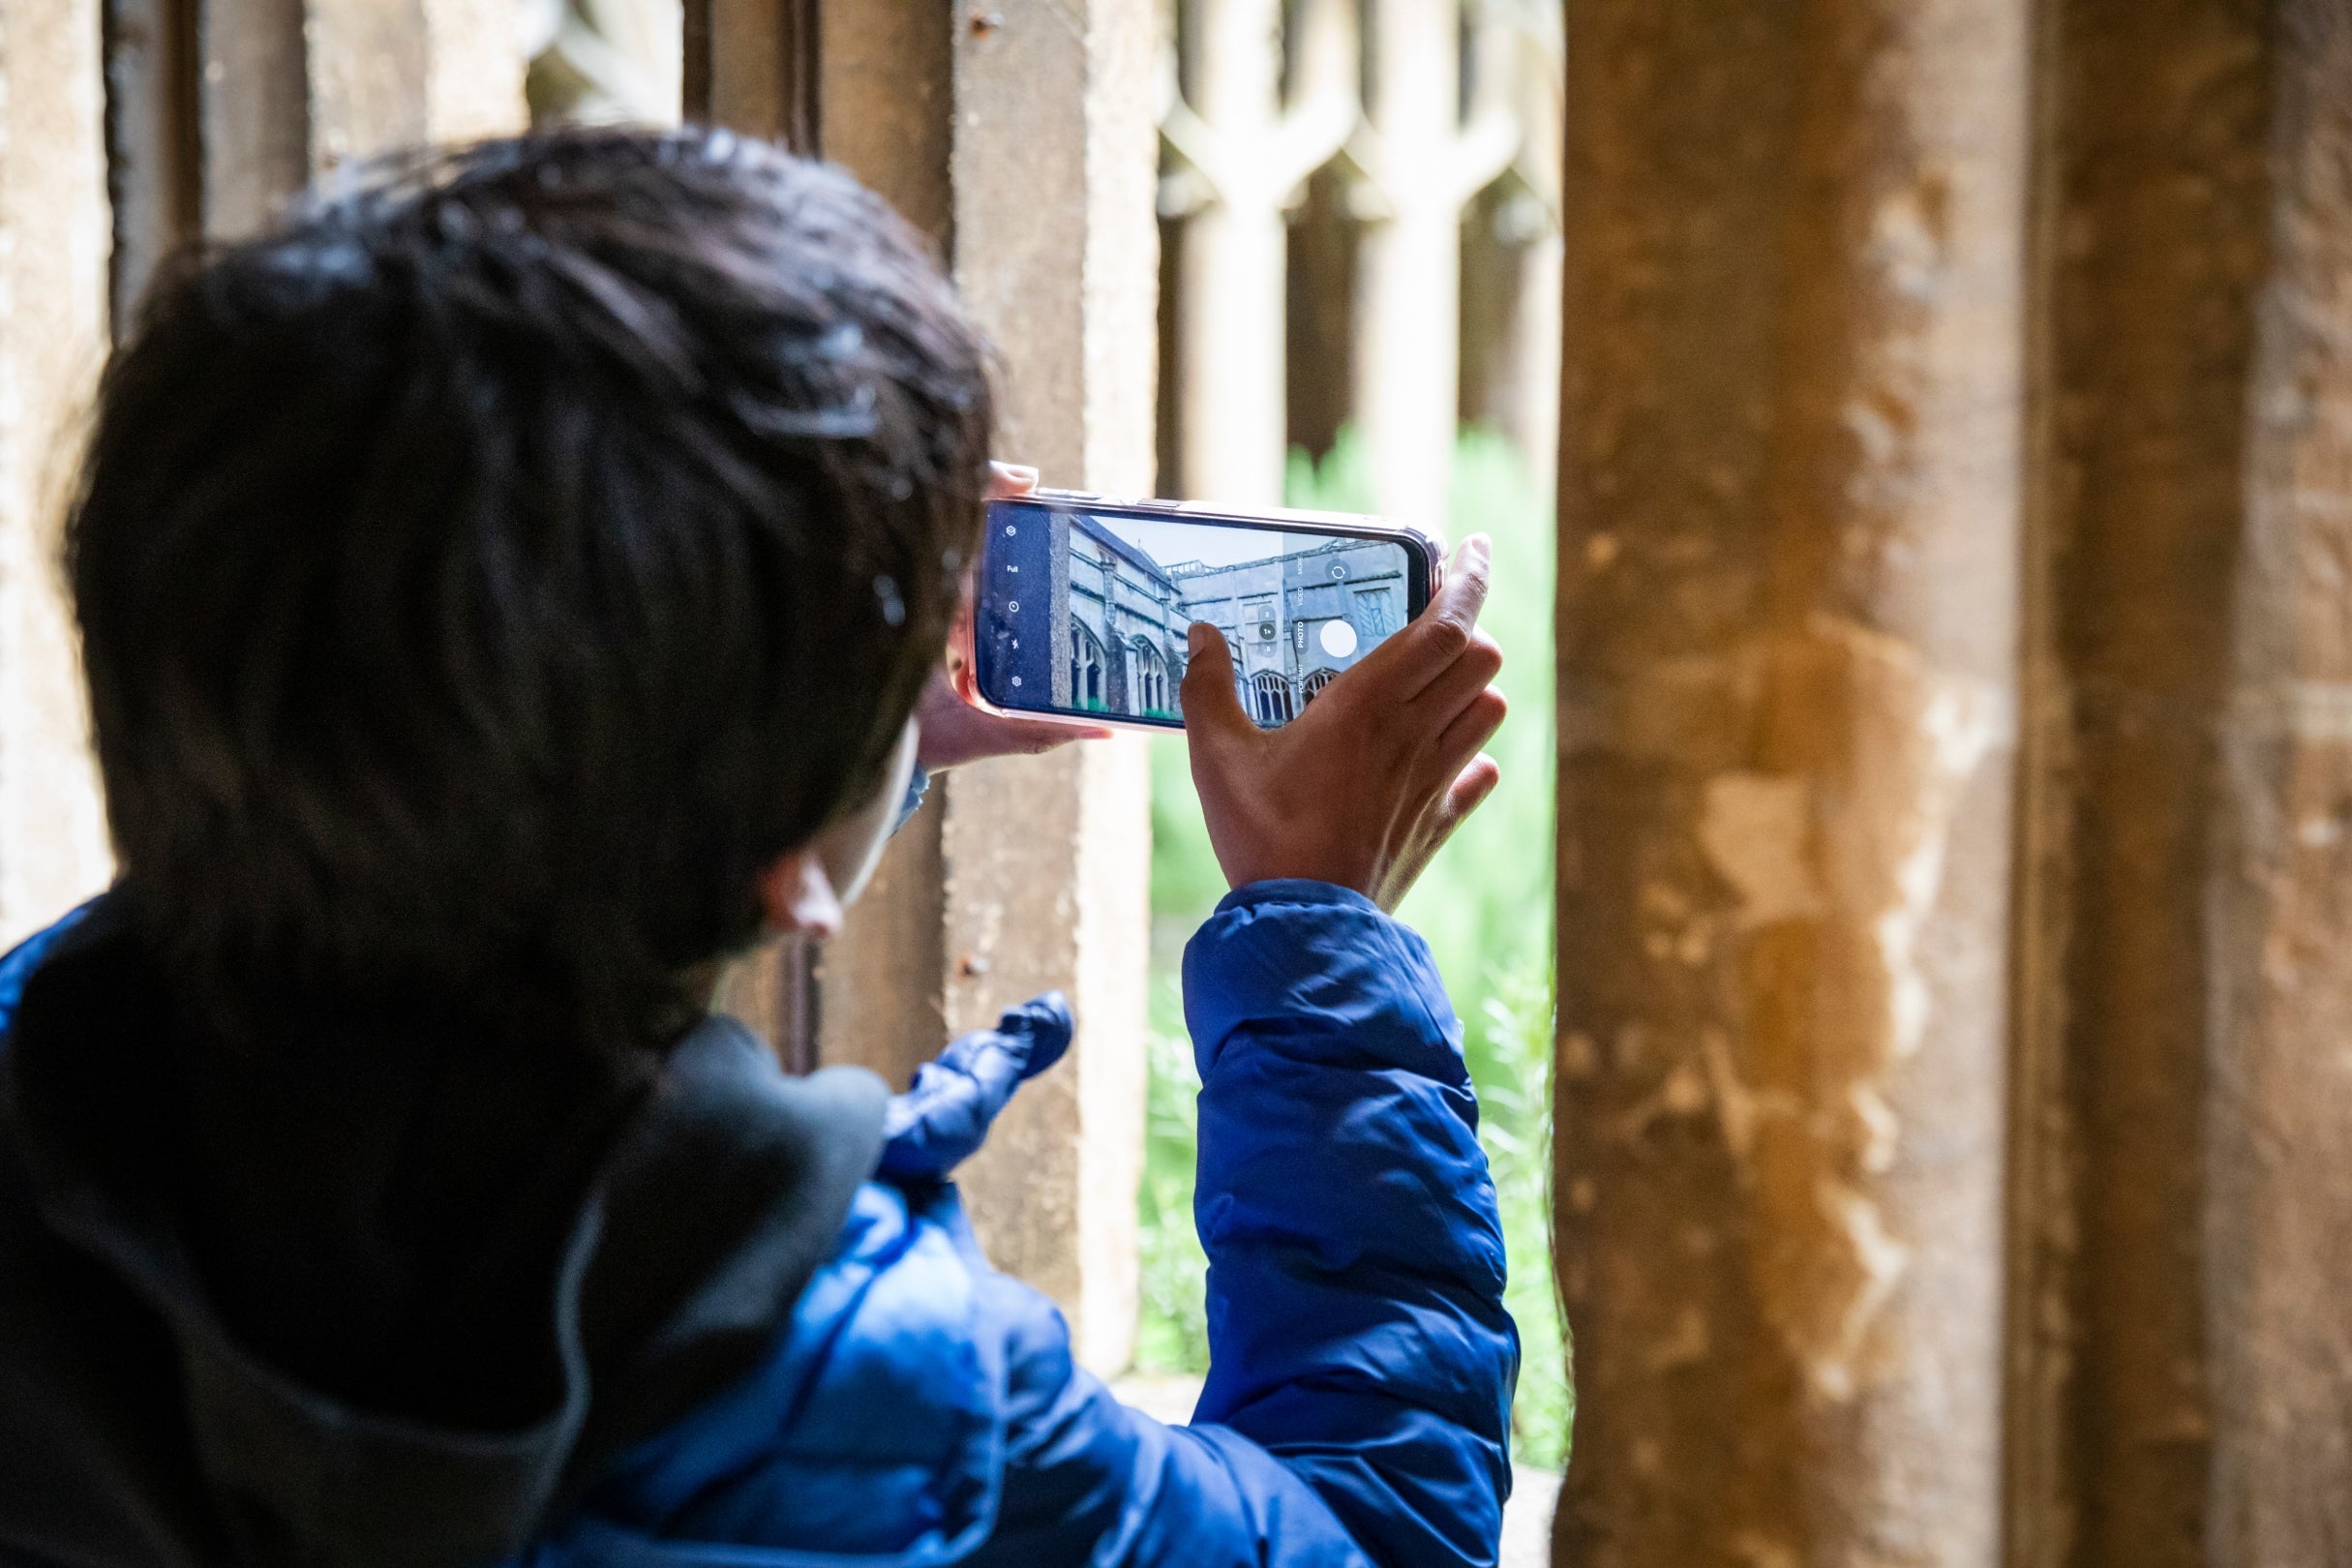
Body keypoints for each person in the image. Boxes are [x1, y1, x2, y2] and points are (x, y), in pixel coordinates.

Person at [0, 128, 1518, 1568]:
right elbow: (1371, 1532)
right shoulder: (882, 1381)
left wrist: (819, 754)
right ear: (784, 867)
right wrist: (1318, 937)